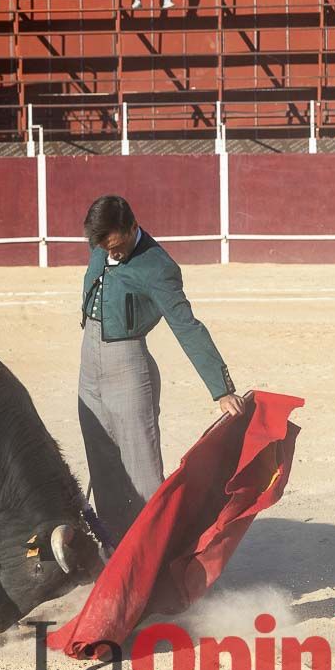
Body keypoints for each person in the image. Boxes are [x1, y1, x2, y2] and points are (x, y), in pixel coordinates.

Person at [78, 195, 244, 545]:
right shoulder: (102, 241)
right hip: (88, 363)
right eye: (105, 247)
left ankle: (160, 548)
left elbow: (187, 326)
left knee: (143, 472)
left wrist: (221, 388)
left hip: (127, 364)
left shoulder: (158, 267)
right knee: (102, 462)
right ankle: (115, 547)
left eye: (118, 246)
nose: (112, 254)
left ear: (133, 228)